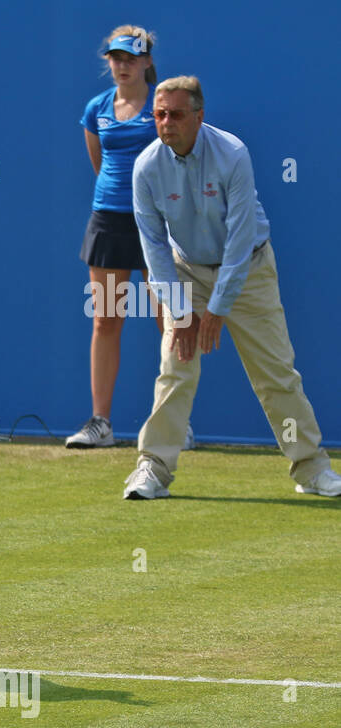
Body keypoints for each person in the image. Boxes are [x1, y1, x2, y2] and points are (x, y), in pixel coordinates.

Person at [124, 77, 341, 499]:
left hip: (248, 269)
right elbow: (153, 247)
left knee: (277, 373)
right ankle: (152, 469)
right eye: (159, 115)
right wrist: (179, 309)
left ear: (200, 116)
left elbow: (240, 239)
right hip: (186, 271)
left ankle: (312, 469)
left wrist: (219, 308)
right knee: (174, 369)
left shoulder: (232, 154)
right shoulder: (146, 167)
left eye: (177, 115)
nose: (166, 123)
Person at [69, 25, 196, 451]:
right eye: (115, 58)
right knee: (106, 319)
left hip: (157, 225)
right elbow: (100, 162)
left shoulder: (164, 106)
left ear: (146, 62)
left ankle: (173, 422)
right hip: (108, 220)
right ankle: (100, 423)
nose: (122, 65)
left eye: (130, 58)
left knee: (168, 321)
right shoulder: (96, 109)